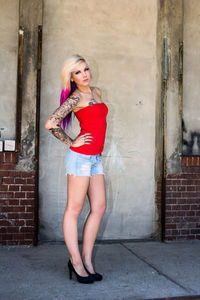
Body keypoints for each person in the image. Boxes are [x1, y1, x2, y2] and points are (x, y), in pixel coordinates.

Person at [45, 55, 108, 284]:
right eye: (78, 72)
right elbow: (51, 123)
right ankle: (76, 262)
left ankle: (87, 260)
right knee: (74, 209)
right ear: (71, 77)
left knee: (99, 207)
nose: (84, 74)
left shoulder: (96, 92)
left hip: (95, 158)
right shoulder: (75, 98)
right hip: (80, 158)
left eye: (86, 69)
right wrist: (72, 142)